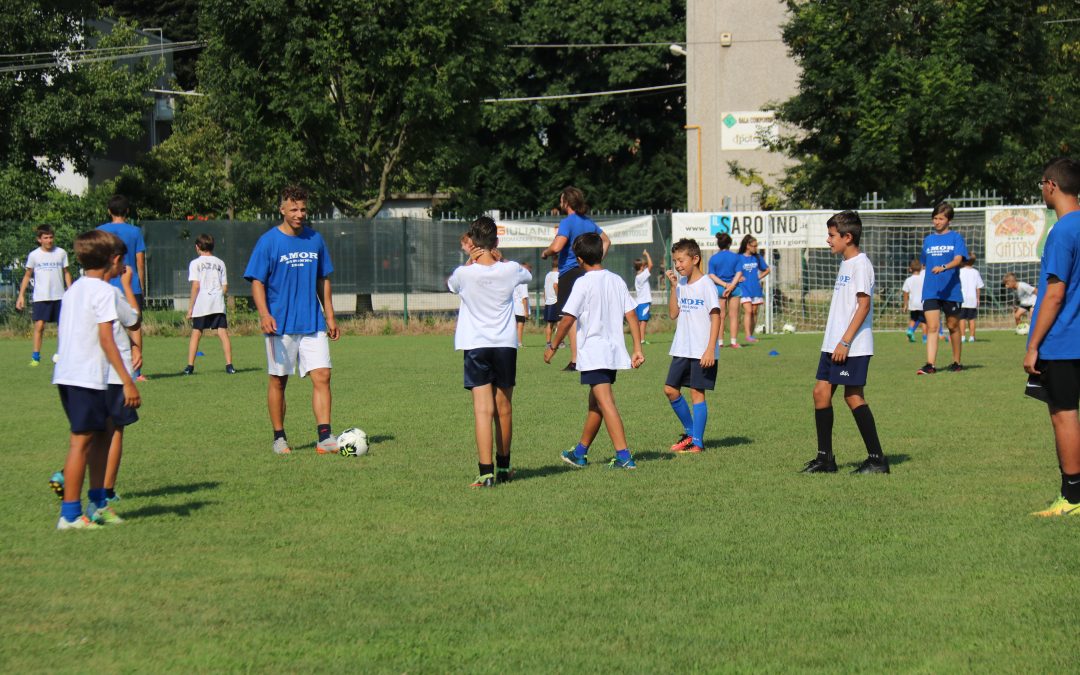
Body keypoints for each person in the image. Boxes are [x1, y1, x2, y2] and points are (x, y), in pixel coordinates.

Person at [52, 230, 141, 529]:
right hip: (85, 377)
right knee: (81, 443)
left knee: (101, 437)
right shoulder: (104, 292)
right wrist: (128, 380)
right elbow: (106, 338)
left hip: (70, 375)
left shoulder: (74, 289)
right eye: (122, 262)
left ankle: (99, 503)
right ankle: (70, 515)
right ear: (114, 261)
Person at [243, 185, 340, 456]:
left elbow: (324, 279)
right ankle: (279, 437)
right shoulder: (268, 241)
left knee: (323, 375)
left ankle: (324, 437)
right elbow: (257, 282)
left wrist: (330, 315)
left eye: (303, 209)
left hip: (313, 321)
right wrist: (264, 314)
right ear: (282, 209)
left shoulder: (315, 240)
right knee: (278, 380)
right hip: (280, 324)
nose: (299, 214)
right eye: (294, 208)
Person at [546, 233, 645, 469]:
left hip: (594, 353)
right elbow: (631, 314)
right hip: (612, 353)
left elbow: (568, 318)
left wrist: (553, 346)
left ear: (579, 260)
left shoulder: (583, 282)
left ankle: (624, 457)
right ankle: (580, 453)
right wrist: (637, 348)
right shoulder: (616, 279)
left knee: (606, 402)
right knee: (596, 404)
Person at [801, 211, 889, 475]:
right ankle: (825, 459)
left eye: (831, 235)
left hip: (851, 346)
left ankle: (877, 460)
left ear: (847, 237)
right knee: (820, 393)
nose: (828, 240)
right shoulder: (846, 263)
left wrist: (845, 342)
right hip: (834, 344)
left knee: (853, 396)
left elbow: (864, 306)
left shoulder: (861, 264)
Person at [448, 217, 532, 488]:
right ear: (496, 242)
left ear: (471, 242)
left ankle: (486, 474)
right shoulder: (510, 270)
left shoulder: (464, 273)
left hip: (476, 345)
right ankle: (505, 468)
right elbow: (527, 275)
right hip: (505, 345)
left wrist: (470, 262)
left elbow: (452, 284)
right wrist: (502, 259)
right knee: (503, 409)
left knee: (482, 411)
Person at [1025, 158, 1080, 516]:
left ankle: (1072, 497)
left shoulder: (1061, 231)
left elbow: (1055, 294)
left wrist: (1033, 345)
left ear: (1051, 186)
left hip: (1062, 340)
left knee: (1064, 415)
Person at [541, 187, 610, 371]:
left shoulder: (567, 222)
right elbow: (606, 240)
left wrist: (545, 252)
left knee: (570, 316)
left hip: (570, 272)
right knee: (586, 316)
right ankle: (586, 356)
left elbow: (557, 247)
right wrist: (596, 259)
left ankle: (575, 360)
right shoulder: (588, 222)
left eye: (561, 199)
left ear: (566, 202)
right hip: (587, 270)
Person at [663, 238, 721, 454]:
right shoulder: (682, 284)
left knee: (697, 394)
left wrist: (709, 349)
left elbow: (716, 317)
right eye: (675, 261)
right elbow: (673, 313)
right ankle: (690, 432)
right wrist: (673, 287)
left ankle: (697, 443)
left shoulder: (706, 285)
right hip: (681, 349)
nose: (677, 265)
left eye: (681, 260)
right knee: (670, 390)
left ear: (695, 259)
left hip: (701, 350)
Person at [97, 195, 148, 381]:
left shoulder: (100, 231)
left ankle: (106, 368)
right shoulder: (135, 232)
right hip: (130, 285)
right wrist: (140, 284)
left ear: (109, 211)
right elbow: (140, 261)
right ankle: (136, 372)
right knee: (134, 326)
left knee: (105, 325)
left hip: (105, 284)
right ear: (127, 211)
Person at [916, 202, 968, 374]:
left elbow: (959, 259)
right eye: (935, 218)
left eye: (941, 218)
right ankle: (930, 365)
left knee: (953, 326)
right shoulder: (928, 240)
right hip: (930, 290)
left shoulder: (956, 238)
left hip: (951, 290)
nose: (937, 221)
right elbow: (924, 262)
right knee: (932, 327)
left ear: (949, 220)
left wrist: (944, 267)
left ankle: (956, 361)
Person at [16, 224, 72, 366]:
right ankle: (36, 357)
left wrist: (70, 291)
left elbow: (66, 273)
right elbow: (27, 276)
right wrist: (21, 295)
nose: (49, 240)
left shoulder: (61, 253)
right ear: (39, 239)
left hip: (59, 297)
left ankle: (61, 354)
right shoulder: (34, 255)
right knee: (39, 326)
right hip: (41, 297)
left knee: (63, 327)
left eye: (51, 237)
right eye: (45, 238)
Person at [184, 234, 235, 374]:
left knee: (196, 333)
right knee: (222, 332)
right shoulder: (220, 263)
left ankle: (190, 367)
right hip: (218, 303)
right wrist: (217, 295)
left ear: (197, 247)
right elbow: (225, 286)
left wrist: (190, 308)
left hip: (202, 303)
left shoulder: (195, 263)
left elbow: (196, 286)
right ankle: (229, 365)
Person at [707, 232, 744, 349]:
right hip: (735, 288)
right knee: (734, 315)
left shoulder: (713, 258)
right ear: (729, 244)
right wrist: (731, 286)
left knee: (720, 316)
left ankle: (720, 342)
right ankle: (733, 342)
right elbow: (739, 272)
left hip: (719, 288)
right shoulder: (736, 257)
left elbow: (711, 275)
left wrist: (724, 285)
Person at [736, 235, 769, 343]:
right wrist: (738, 277)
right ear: (747, 246)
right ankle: (747, 335)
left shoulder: (757, 257)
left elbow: (767, 270)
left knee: (754, 312)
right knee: (748, 310)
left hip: (755, 288)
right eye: (754, 246)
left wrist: (758, 277)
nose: (756, 248)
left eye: (756, 246)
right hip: (744, 288)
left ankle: (751, 334)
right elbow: (733, 271)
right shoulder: (739, 257)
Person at [958, 256, 985, 342]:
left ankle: (962, 337)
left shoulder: (959, 271)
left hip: (961, 298)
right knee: (971, 319)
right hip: (972, 298)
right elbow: (978, 287)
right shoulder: (975, 272)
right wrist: (978, 298)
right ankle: (972, 337)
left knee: (961, 318)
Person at [901, 259, 926, 343]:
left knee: (913, 319)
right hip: (923, 303)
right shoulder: (924, 279)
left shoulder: (908, 280)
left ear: (910, 269)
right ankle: (925, 338)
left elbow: (905, 292)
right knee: (924, 321)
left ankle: (910, 331)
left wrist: (905, 304)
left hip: (913, 304)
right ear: (921, 268)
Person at [633, 250, 654, 343]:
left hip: (639, 302)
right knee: (643, 321)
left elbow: (648, 266)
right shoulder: (642, 276)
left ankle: (638, 339)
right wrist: (647, 254)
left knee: (639, 322)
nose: (645, 267)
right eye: (643, 266)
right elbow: (651, 265)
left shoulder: (638, 276)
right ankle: (641, 340)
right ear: (641, 267)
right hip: (644, 302)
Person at [543, 259, 559, 349]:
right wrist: (559, 297)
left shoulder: (547, 275)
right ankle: (560, 342)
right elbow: (556, 286)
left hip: (548, 301)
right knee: (560, 322)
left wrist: (545, 300)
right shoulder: (557, 275)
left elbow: (545, 289)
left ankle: (548, 342)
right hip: (555, 301)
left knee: (550, 323)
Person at [513, 263, 530, 348]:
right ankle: (519, 343)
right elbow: (524, 298)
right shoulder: (523, 283)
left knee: (515, 326)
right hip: (520, 308)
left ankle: (514, 342)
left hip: (513, 307)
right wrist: (526, 311)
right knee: (520, 325)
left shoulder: (514, 280)